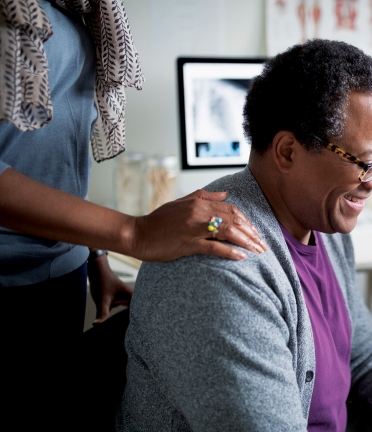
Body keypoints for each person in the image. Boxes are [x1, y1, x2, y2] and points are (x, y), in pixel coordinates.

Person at [117, 39, 372, 432]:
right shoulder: (221, 263)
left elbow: (367, 360)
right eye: (365, 162)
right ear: (287, 152)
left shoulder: (324, 223)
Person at [0, 0, 264, 426]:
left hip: (60, 273)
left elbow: (52, 154)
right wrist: (130, 232)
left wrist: (95, 254)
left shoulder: (79, 7)